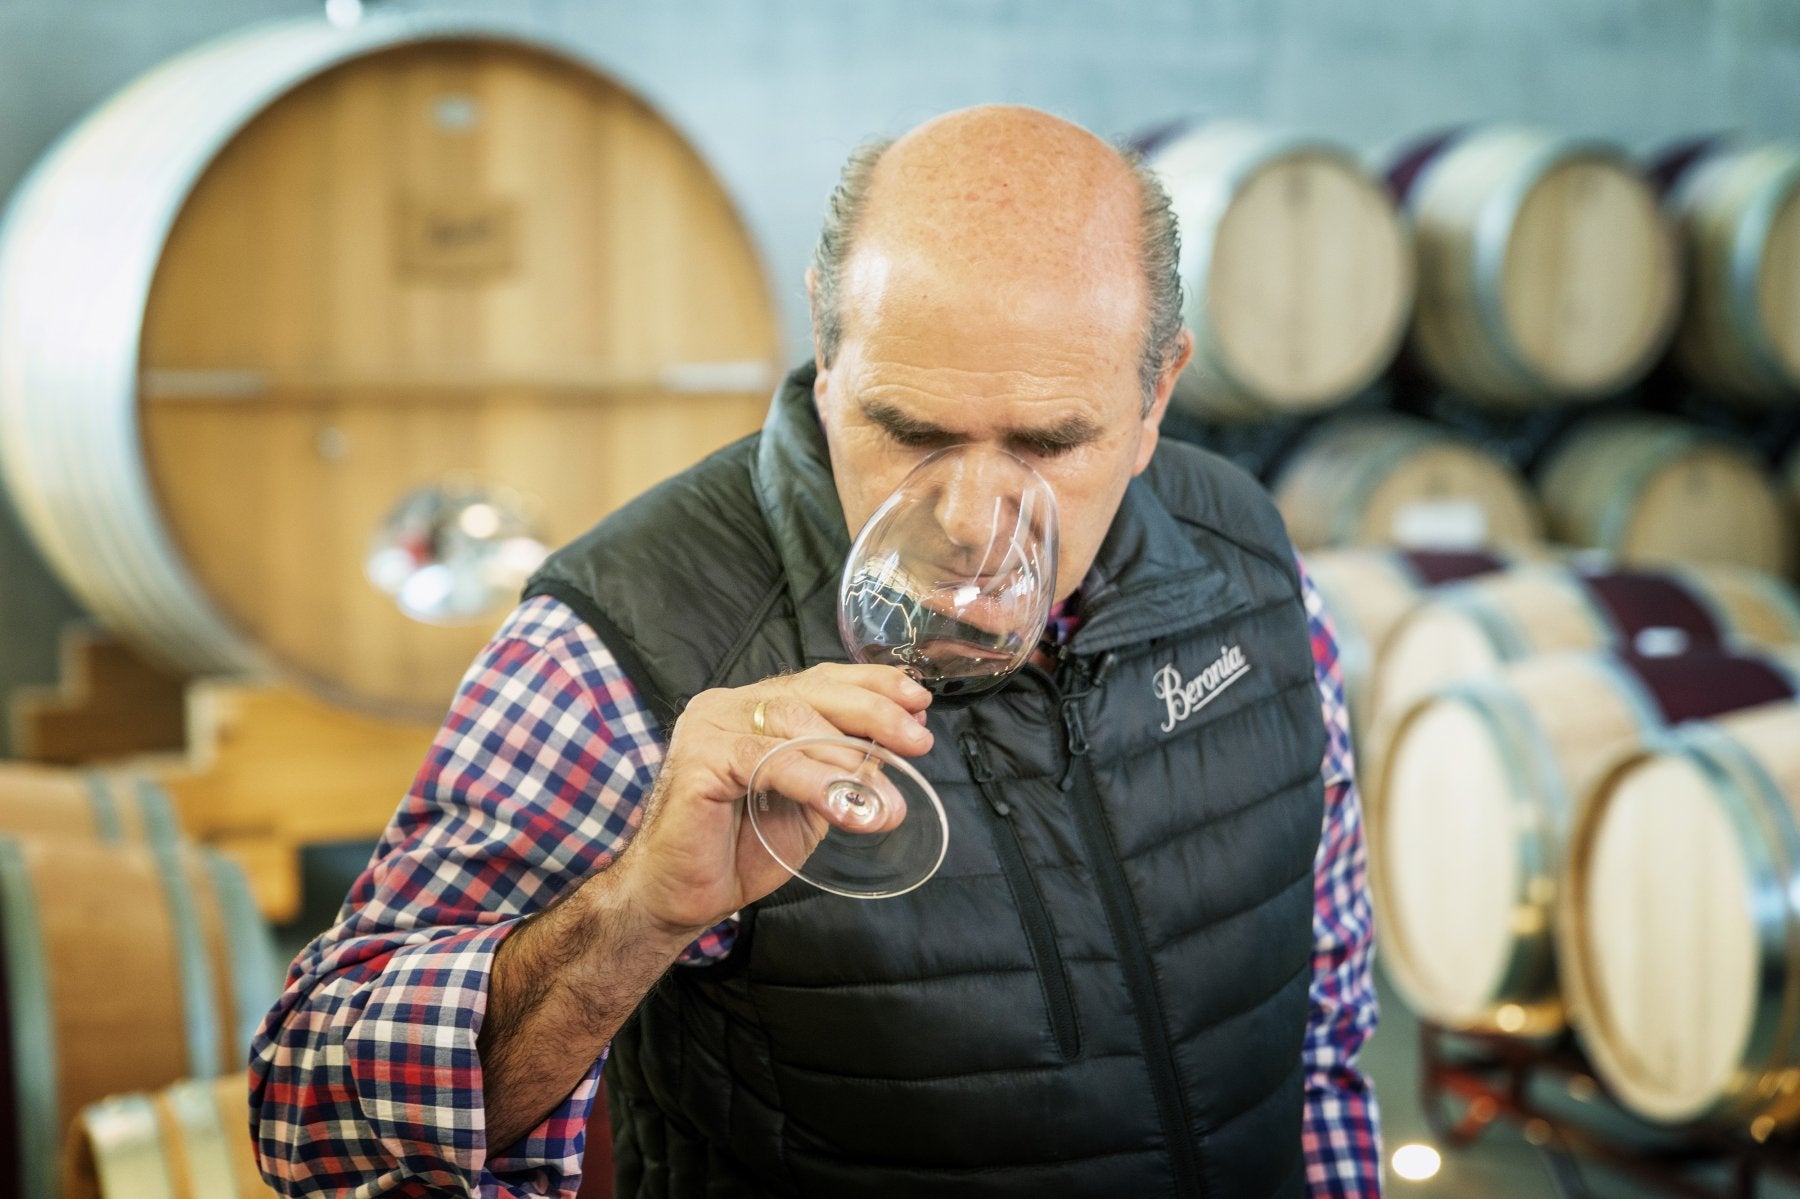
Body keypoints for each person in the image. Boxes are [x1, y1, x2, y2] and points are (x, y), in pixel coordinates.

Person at [250, 104, 1381, 1198]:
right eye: (912, 432)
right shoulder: (626, 638)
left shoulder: (1246, 553)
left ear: (1157, 394)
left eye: (1050, 441)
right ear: (829, 355)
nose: (978, 520)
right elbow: (309, 1108)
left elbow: (1321, 1034)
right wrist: (639, 909)